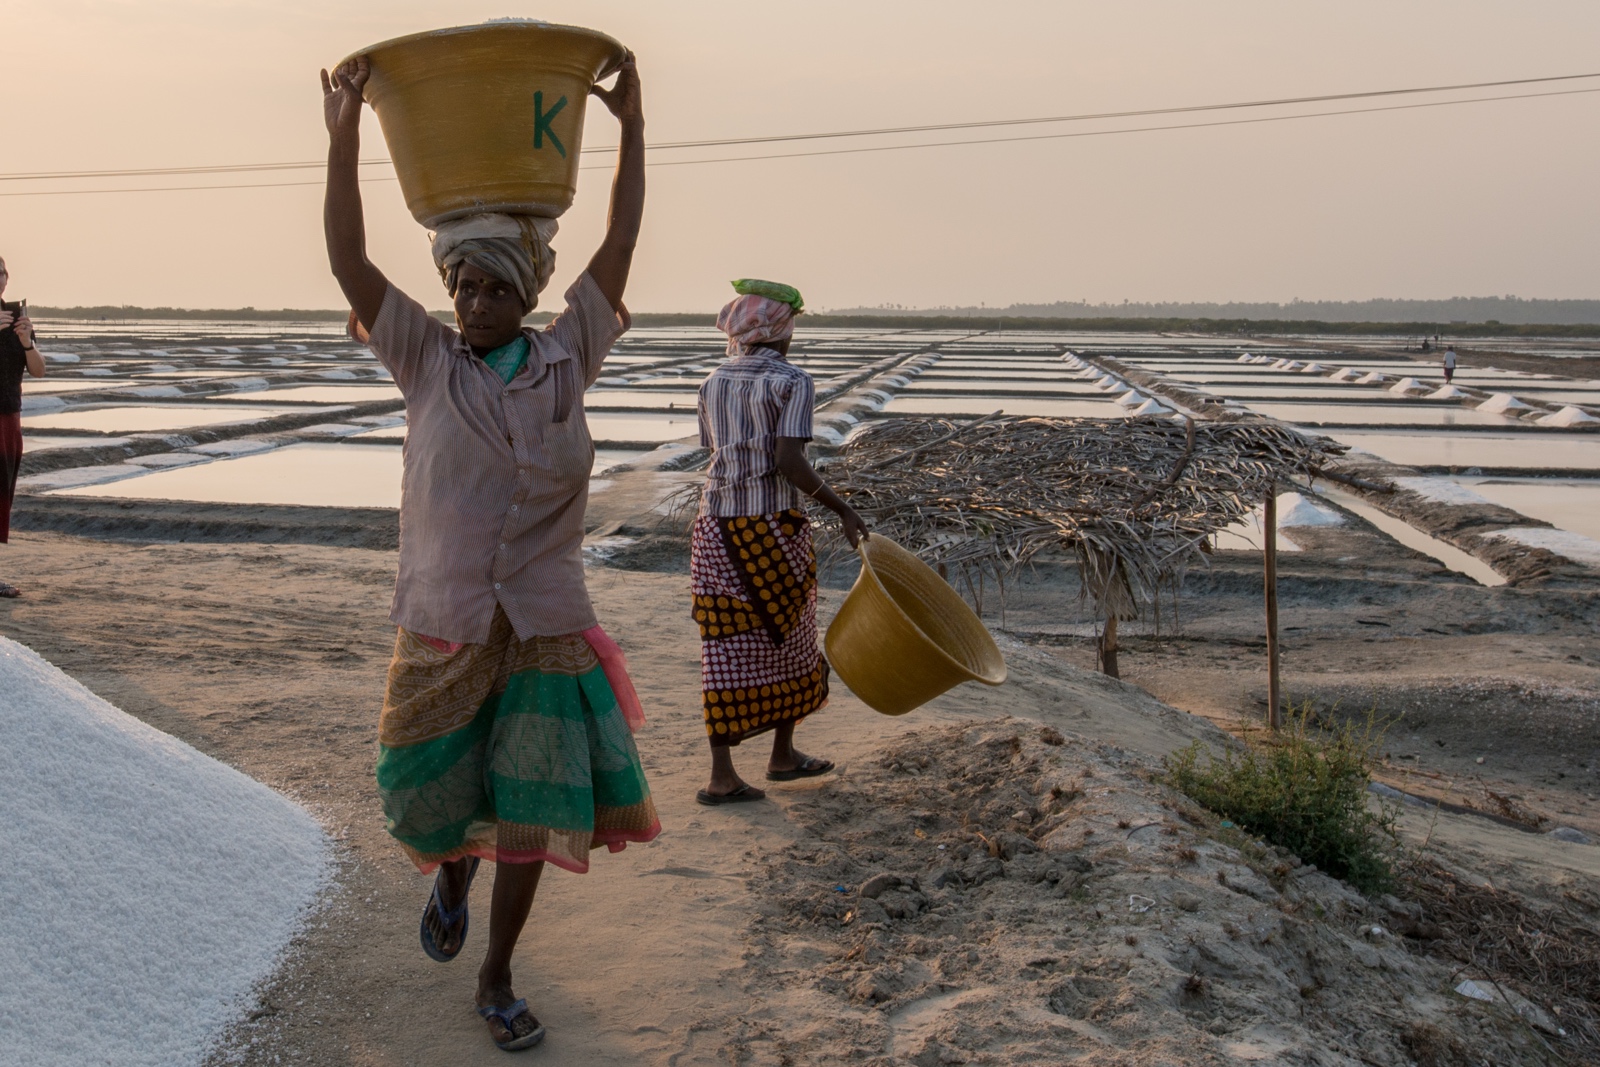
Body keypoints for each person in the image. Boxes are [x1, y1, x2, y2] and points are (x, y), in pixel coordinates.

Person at [320, 52, 657, 1052]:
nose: (469, 300)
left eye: (488, 287)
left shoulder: (568, 354)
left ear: (523, 293)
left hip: (544, 620)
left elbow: (621, 237)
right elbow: (347, 258)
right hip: (447, 614)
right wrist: (343, 131)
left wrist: (634, 127)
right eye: (459, 284)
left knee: (532, 807)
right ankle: (452, 872)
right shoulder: (425, 359)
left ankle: (497, 974)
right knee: (422, 784)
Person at [691, 279, 869, 805]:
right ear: (783, 330)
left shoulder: (712, 381)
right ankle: (781, 755)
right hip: (771, 525)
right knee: (790, 635)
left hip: (715, 527)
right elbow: (788, 461)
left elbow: (713, 451)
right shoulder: (793, 380)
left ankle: (723, 774)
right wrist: (843, 509)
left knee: (723, 643)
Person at [0, 255, 47, 599]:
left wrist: (27, 341)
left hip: (8, 415)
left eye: (2, 272)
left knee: (2, 494)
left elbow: (39, 370)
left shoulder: (17, 320)